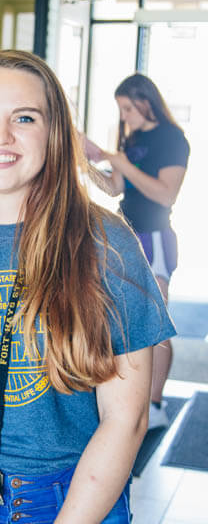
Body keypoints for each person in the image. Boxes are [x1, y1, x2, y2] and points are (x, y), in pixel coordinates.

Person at [0, 51, 174, 523]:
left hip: (78, 498)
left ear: (55, 134)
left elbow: (126, 420)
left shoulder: (107, 245)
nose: (0, 136)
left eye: (24, 118)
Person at [81, 73, 189, 429]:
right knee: (124, 321)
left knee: (155, 325)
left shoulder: (172, 139)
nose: (124, 116)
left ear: (145, 101)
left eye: (127, 107)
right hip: (125, 236)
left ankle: (155, 405)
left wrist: (120, 160)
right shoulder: (132, 139)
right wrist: (86, 163)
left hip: (155, 236)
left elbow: (165, 193)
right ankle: (127, 400)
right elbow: (113, 187)